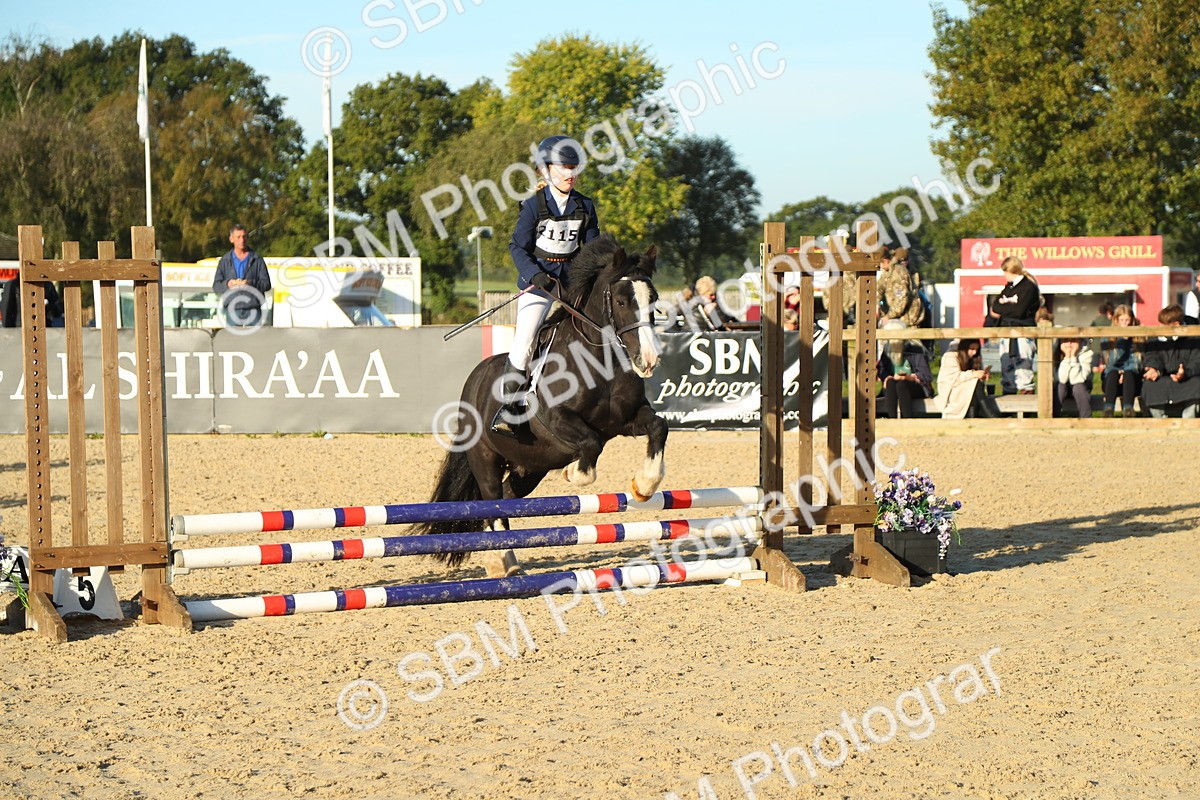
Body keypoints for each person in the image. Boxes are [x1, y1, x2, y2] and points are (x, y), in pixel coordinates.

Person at [492, 135, 600, 436]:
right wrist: (534, 274)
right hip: (539, 281)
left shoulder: (585, 206)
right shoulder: (532, 206)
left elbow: (591, 250)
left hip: (572, 282)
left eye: (574, 167)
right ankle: (510, 408)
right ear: (545, 170)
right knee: (525, 338)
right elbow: (517, 247)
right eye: (564, 167)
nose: (570, 174)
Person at [987, 255, 1040, 394]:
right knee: (1007, 368)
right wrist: (1009, 307)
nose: (1004, 275)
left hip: (1023, 332)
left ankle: (1026, 411)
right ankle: (1008, 410)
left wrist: (1007, 307)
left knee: (1023, 369)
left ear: (1011, 270)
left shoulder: (1029, 287)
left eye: (1005, 271)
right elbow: (996, 307)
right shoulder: (1008, 288)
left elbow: (1020, 311)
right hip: (1007, 332)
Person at [1140, 304, 1200, 418]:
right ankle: (1160, 420)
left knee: (1197, 384)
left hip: (1188, 377)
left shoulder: (1194, 336)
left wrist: (1185, 372)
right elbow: (1152, 356)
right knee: (1149, 386)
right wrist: (1154, 369)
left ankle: (1188, 419)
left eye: (1164, 325)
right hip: (1163, 376)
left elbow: (1197, 360)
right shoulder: (1156, 336)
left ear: (1176, 324)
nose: (1160, 327)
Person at [212, 224, 271, 327]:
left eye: (244, 236)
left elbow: (266, 284)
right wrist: (228, 284)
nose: (242, 240)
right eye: (238, 237)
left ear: (247, 238)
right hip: (232, 309)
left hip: (253, 308)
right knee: (234, 342)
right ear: (231, 239)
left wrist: (250, 283)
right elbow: (216, 286)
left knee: (255, 341)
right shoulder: (225, 261)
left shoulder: (257, 259)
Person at [936, 337, 997, 419]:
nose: (974, 352)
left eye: (976, 349)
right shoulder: (950, 355)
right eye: (972, 349)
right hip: (951, 389)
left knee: (975, 385)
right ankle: (990, 415)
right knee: (975, 385)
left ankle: (985, 415)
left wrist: (981, 375)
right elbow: (954, 377)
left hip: (965, 388)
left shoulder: (974, 358)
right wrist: (974, 374)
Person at [1101, 304, 1142, 417]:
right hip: (1112, 377)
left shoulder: (1138, 337)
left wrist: (1124, 372)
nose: (1125, 323)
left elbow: (1137, 362)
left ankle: (1128, 409)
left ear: (1132, 320)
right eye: (1122, 320)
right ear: (1116, 321)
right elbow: (1109, 362)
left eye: (1127, 320)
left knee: (1129, 373)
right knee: (1113, 373)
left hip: (1132, 378)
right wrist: (1121, 340)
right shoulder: (1107, 337)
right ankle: (1108, 409)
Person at [877, 339, 933, 418]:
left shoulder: (915, 348)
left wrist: (907, 377)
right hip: (893, 386)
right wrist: (886, 377)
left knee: (901, 385)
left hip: (916, 386)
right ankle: (891, 421)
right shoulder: (887, 349)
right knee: (890, 382)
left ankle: (906, 421)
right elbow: (882, 369)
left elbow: (926, 375)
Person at [878, 247, 925, 328]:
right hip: (896, 318)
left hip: (907, 320)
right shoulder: (888, 273)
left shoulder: (898, 273)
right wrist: (878, 304)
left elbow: (901, 299)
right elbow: (879, 288)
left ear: (885, 261)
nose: (880, 267)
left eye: (880, 263)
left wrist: (888, 316)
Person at [1055, 337, 1095, 418]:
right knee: (1060, 387)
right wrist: (1067, 357)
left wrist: (1072, 356)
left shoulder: (1087, 353)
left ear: (1079, 341)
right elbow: (1061, 379)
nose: (1069, 344)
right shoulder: (1056, 354)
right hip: (1064, 386)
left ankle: (1086, 419)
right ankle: (1053, 417)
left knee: (1078, 387)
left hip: (1082, 385)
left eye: (1073, 340)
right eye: (1066, 340)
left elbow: (1077, 380)